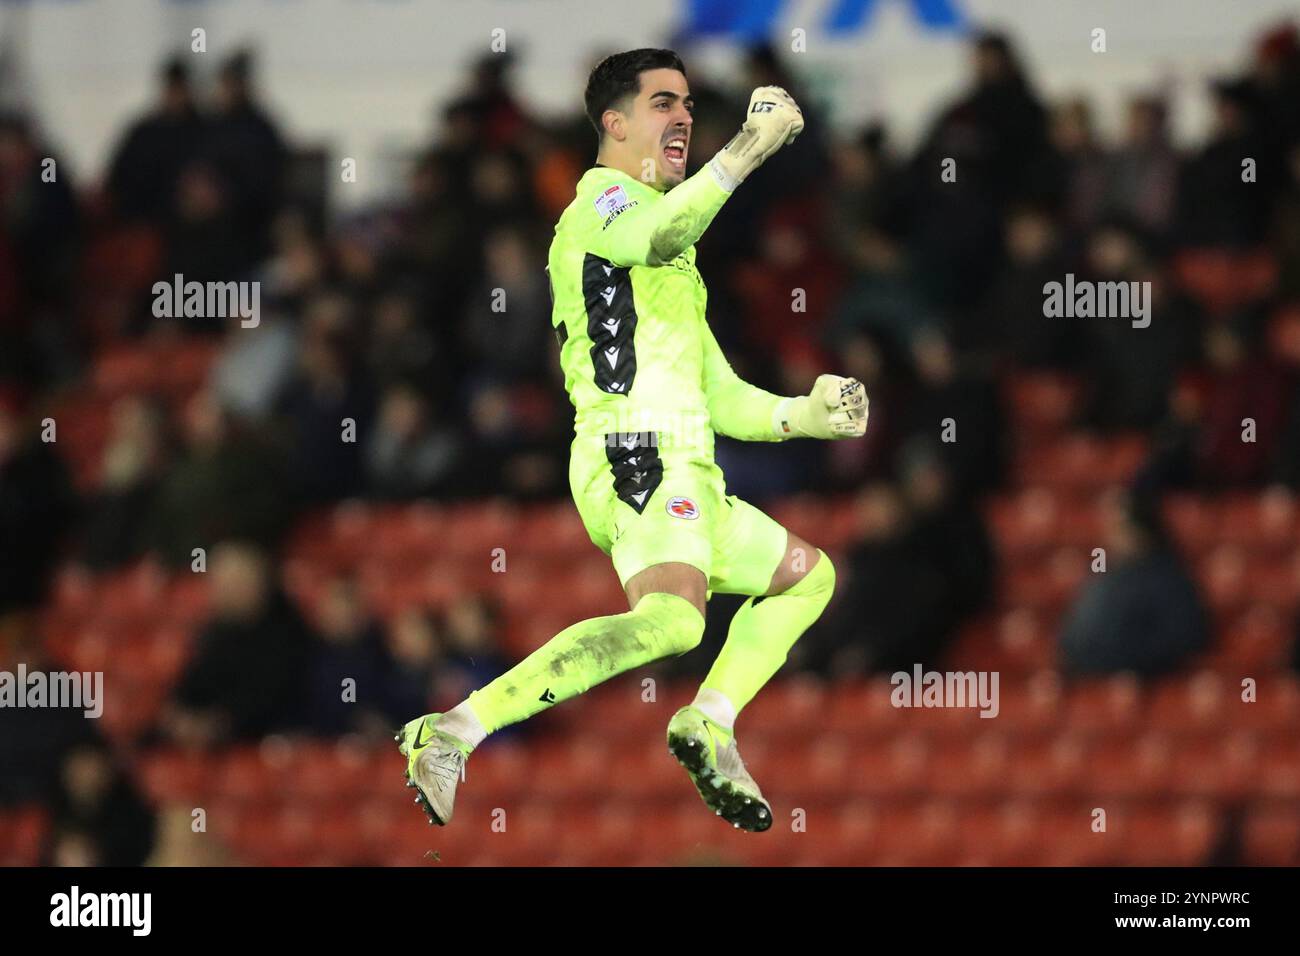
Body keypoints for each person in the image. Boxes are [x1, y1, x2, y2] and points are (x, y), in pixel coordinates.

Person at [396, 49, 868, 833]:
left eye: (687, 102)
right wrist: (749, 148)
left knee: (807, 578)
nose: (682, 114)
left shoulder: (673, 252)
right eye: (661, 103)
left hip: (690, 464)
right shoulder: (600, 209)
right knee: (677, 621)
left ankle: (709, 721)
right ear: (614, 124)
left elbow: (724, 396)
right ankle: (453, 729)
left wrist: (808, 415)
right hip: (633, 450)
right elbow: (664, 227)